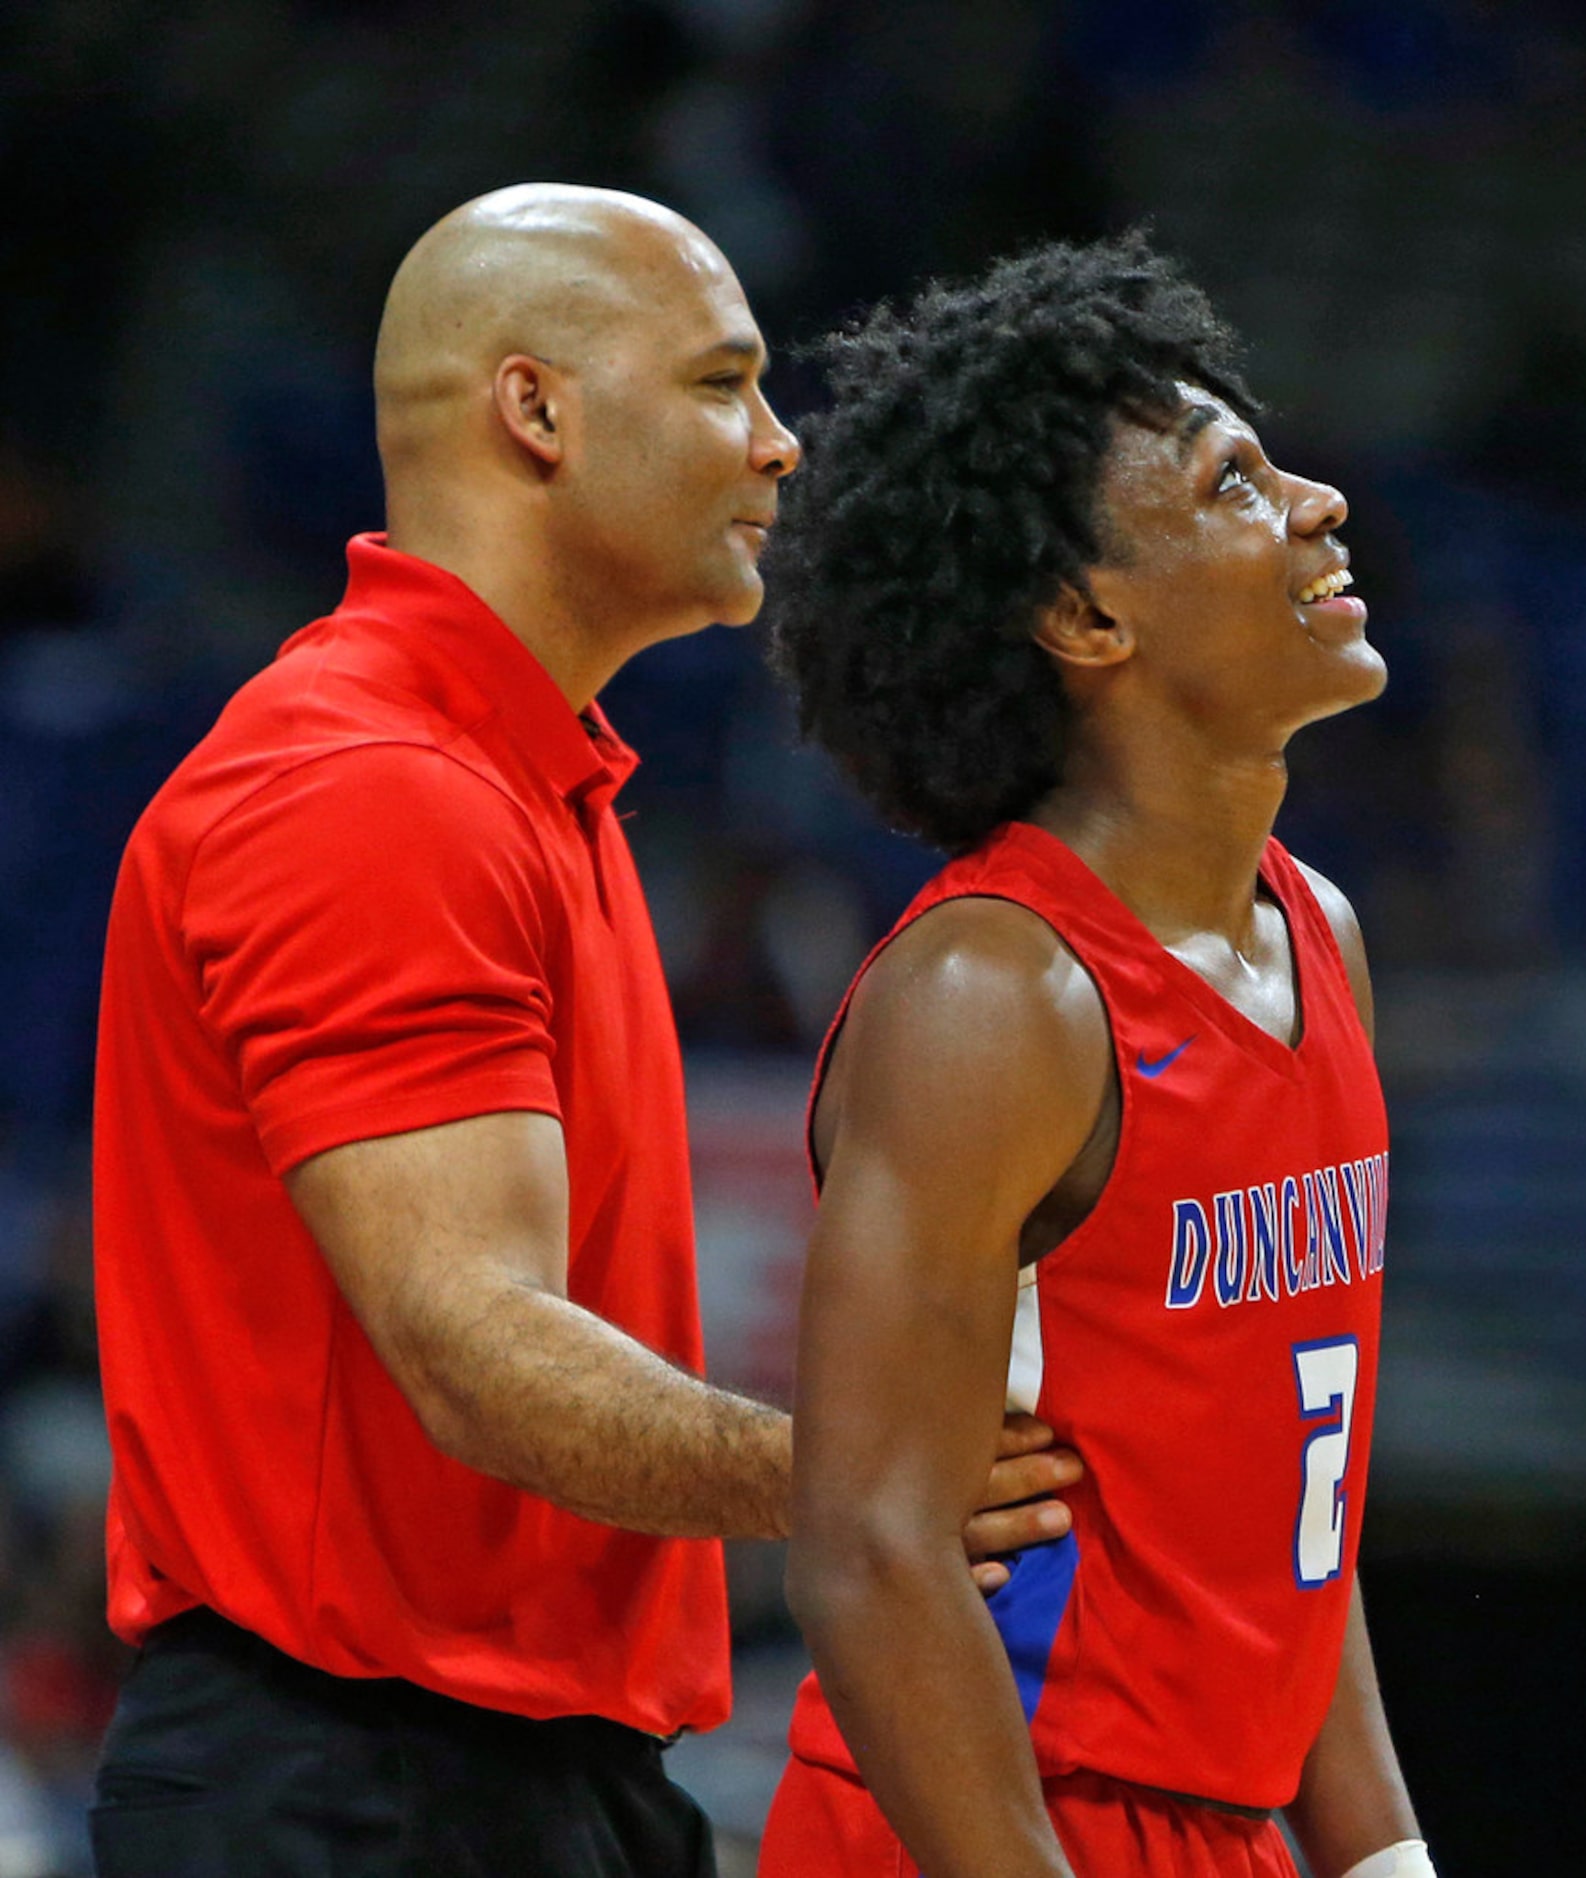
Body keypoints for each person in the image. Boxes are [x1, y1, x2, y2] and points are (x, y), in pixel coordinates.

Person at [88, 184, 1078, 1878]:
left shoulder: (521, 777)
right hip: (356, 1788)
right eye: (722, 384)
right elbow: (478, 1343)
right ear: (535, 411)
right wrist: (854, 1477)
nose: (780, 446)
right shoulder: (373, 787)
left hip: (515, 1777)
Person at [756, 233, 1436, 1878]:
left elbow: (1292, 1512)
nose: (1317, 502)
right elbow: (866, 1545)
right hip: (987, 1815)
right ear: (1082, 614)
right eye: (1233, 485)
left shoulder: (1318, 932)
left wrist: (1383, 1854)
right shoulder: (995, 992)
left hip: (1223, 1821)